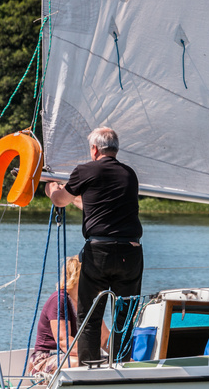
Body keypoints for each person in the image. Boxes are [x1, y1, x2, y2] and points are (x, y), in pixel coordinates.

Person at [45, 127, 143, 365]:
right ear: (115, 149)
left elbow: (61, 201)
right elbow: (95, 205)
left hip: (99, 252)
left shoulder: (85, 171)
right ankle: (121, 365)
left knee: (89, 315)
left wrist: (51, 188)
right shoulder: (129, 174)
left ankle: (89, 368)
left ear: (95, 149)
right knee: (125, 314)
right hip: (130, 252)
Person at [27, 255, 110, 376]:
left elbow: (105, 339)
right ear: (77, 275)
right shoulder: (59, 300)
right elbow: (63, 341)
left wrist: (123, 356)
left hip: (78, 356)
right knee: (83, 363)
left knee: (115, 363)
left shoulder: (89, 302)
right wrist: (91, 354)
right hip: (45, 360)